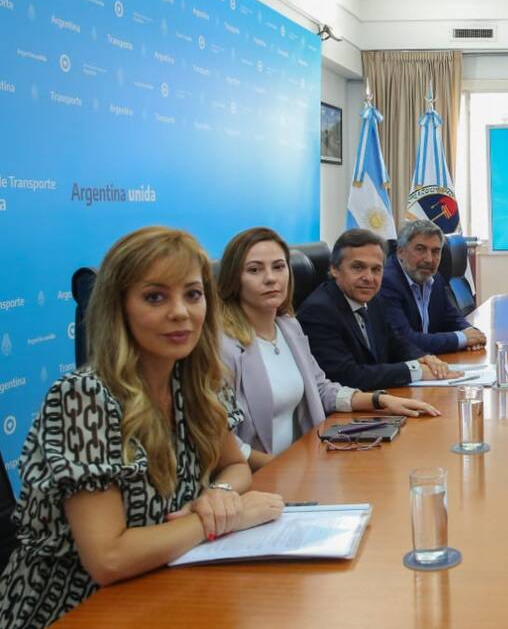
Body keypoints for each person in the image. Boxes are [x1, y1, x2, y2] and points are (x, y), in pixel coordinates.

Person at [0, 227, 285, 626]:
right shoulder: (83, 396)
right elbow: (108, 558)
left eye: (193, 294)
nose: (181, 312)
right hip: (76, 608)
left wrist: (219, 496)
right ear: (119, 307)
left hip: (167, 582)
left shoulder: (198, 381)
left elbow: (235, 465)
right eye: (155, 297)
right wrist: (226, 519)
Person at [217, 227, 441, 471]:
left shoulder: (288, 326)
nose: (271, 278)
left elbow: (321, 389)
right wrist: (280, 468)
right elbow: (223, 441)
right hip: (264, 474)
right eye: (255, 270)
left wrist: (381, 400)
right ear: (234, 278)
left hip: (305, 461)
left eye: (279, 267)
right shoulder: (223, 346)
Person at [297, 228, 462, 392]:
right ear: (334, 269)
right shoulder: (319, 311)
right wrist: (415, 371)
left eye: (376, 269)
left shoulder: (374, 299)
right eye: (358, 267)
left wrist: (424, 359)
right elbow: (346, 376)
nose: (369, 278)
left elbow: (397, 343)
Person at [379, 219, 486, 355]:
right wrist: (463, 338)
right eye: (420, 249)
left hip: (431, 361)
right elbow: (405, 340)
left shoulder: (436, 279)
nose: (429, 259)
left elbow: (452, 318)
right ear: (401, 252)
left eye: (435, 251)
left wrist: (470, 332)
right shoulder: (387, 282)